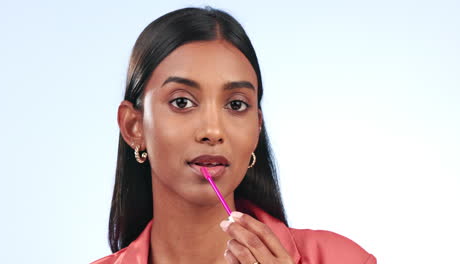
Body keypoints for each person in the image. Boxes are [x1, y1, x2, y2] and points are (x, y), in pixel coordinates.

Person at [90, 7, 377, 264]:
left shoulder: (343, 259)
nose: (212, 131)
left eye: (236, 105)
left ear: (257, 127)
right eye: (182, 102)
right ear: (133, 126)